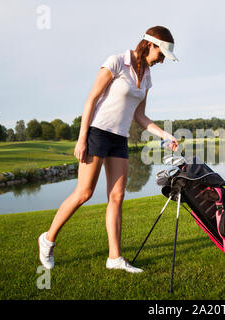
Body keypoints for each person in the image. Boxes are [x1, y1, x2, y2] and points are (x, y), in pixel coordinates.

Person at [38, 26, 179, 273]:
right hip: (97, 133)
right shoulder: (116, 62)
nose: (162, 60)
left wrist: (165, 134)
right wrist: (82, 139)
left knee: (117, 196)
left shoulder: (147, 77)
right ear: (150, 45)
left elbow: (140, 116)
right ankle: (47, 239)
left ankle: (114, 258)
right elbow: (91, 99)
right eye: (161, 54)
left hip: (119, 139)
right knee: (84, 193)